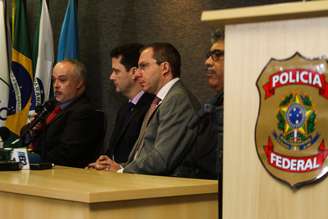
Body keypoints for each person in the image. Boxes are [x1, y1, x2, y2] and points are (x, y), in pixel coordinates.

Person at [90, 42, 200, 176]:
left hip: (168, 190)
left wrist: (121, 171)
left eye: (143, 66)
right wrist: (119, 167)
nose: (136, 75)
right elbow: (142, 156)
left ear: (165, 67)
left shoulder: (177, 100)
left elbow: (161, 159)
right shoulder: (161, 99)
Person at [26, 59, 103, 168]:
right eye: (53, 80)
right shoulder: (51, 105)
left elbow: (66, 154)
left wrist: (35, 157)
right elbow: (24, 132)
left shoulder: (84, 112)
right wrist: (33, 129)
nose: (56, 85)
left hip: (63, 173)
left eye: (62, 80)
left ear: (79, 83)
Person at [88, 43, 153, 169]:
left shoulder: (151, 107)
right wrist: (101, 163)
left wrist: (120, 168)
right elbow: (112, 150)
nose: (111, 77)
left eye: (116, 71)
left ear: (134, 72)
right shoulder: (124, 108)